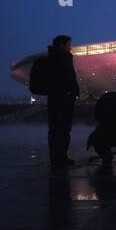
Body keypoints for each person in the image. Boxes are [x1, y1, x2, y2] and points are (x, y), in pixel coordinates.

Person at [47, 35, 80, 169]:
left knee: (54, 128)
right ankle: (61, 157)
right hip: (64, 97)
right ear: (62, 44)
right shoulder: (64, 57)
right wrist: (74, 92)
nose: (70, 46)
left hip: (53, 97)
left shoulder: (50, 57)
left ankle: (55, 157)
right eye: (69, 44)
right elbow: (69, 78)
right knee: (63, 128)